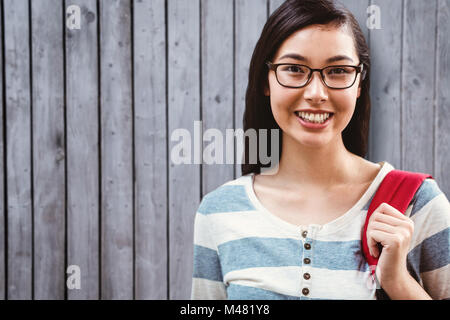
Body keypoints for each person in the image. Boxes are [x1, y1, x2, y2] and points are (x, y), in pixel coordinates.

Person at [190, 0, 450, 300]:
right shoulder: (219, 212)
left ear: (359, 84)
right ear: (266, 80)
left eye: (338, 70)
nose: (316, 93)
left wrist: (397, 281)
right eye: (294, 69)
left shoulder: (419, 206)